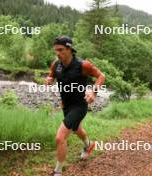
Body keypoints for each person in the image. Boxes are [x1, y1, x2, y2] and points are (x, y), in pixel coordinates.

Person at [45, 36, 105, 176]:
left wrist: (93, 92)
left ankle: (58, 171)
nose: (58, 53)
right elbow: (51, 76)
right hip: (66, 105)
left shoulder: (83, 65)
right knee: (77, 128)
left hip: (79, 105)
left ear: (69, 49)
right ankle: (88, 145)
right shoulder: (56, 64)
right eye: (56, 50)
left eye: (61, 50)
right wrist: (49, 80)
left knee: (60, 137)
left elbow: (101, 76)